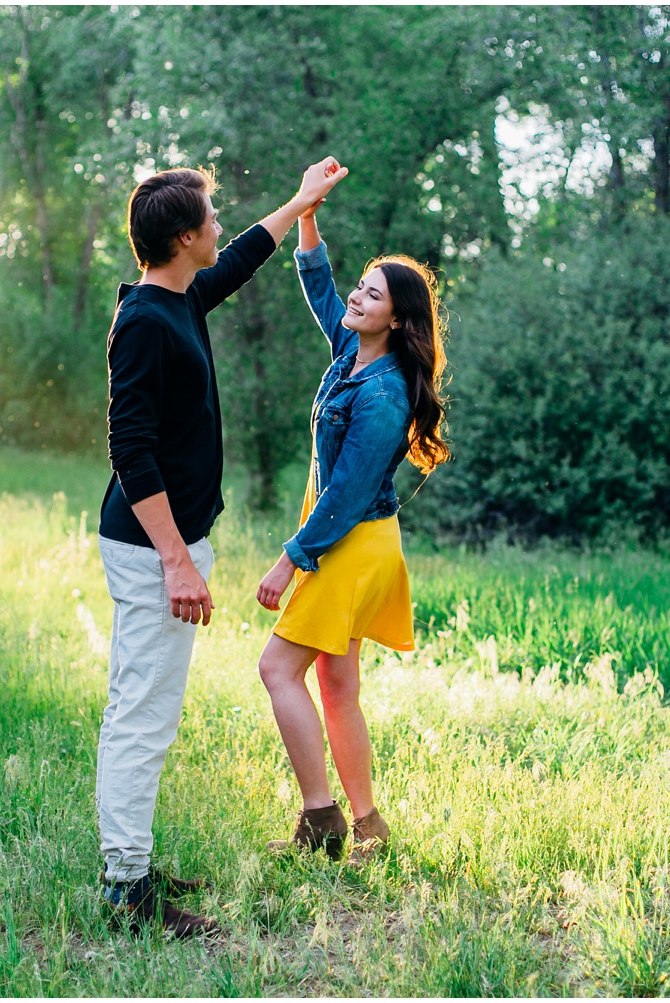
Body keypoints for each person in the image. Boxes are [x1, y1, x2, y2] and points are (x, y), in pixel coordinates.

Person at [96, 157, 349, 938]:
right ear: (181, 237)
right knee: (142, 717)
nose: (219, 226)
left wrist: (300, 201)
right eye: (210, 216)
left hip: (166, 543)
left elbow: (242, 255)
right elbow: (130, 452)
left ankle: (130, 865)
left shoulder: (179, 295)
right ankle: (126, 890)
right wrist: (176, 558)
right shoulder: (144, 321)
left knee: (145, 710)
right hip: (150, 548)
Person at [254, 167, 451, 863]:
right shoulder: (351, 350)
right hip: (349, 532)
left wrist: (289, 558)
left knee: (278, 668)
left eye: (373, 293)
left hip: (352, 538)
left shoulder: (386, 394)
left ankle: (321, 820)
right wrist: (309, 208)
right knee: (336, 686)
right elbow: (316, 284)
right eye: (361, 286)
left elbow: (344, 491)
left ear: (395, 318)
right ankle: (370, 827)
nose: (357, 297)